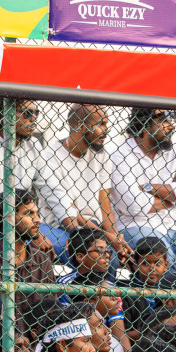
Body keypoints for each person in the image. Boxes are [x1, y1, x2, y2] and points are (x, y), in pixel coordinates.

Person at [40, 103, 127, 270]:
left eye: (106, 124)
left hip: (94, 227)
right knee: (89, 253)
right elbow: (69, 211)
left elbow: (104, 204)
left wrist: (116, 238)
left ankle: (107, 296)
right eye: (100, 124)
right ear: (79, 124)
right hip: (59, 225)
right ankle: (82, 296)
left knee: (113, 256)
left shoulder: (102, 155)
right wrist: (106, 237)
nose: (106, 130)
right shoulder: (50, 157)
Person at [0, 98, 70, 254]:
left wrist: (73, 225)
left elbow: (51, 187)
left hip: (28, 220)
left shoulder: (33, 145)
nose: (33, 118)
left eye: (36, 113)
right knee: (6, 252)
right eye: (27, 113)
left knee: (76, 246)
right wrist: (27, 230)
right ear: (5, 114)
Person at [109, 107, 176, 265]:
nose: (171, 125)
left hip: (174, 227)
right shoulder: (119, 155)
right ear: (144, 124)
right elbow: (133, 206)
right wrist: (170, 197)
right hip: (136, 226)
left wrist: (147, 187)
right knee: (165, 261)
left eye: (172, 118)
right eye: (163, 119)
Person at [0, 188, 58, 318]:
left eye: (37, 214)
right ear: (7, 219)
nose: (37, 220)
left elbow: (52, 310)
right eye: (29, 213)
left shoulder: (41, 259)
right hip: (0, 334)